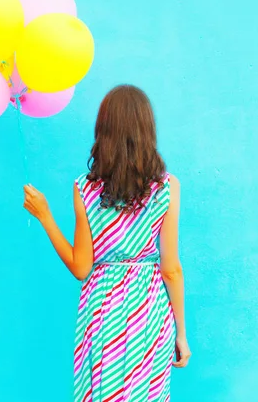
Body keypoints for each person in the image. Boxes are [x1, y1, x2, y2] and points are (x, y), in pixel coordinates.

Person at [23, 84, 190, 401]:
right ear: (146, 129)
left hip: (102, 309)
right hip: (149, 310)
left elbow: (81, 267)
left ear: (104, 129)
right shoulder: (167, 187)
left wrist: (44, 215)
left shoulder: (85, 188)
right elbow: (171, 270)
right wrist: (181, 332)